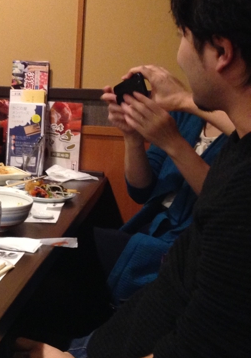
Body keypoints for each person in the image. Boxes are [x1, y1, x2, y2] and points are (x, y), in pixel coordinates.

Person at [0, 0, 251, 358]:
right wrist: (140, 133)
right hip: (112, 348)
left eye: (183, 35)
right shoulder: (238, 145)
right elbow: (141, 187)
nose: (179, 55)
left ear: (221, 53)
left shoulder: (240, 195)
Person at [96, 65, 229, 305]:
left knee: (70, 251)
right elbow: (141, 190)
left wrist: (173, 141)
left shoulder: (240, 133)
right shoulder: (186, 116)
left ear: (223, 55)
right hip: (151, 231)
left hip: (188, 252)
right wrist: (132, 137)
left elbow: (227, 204)